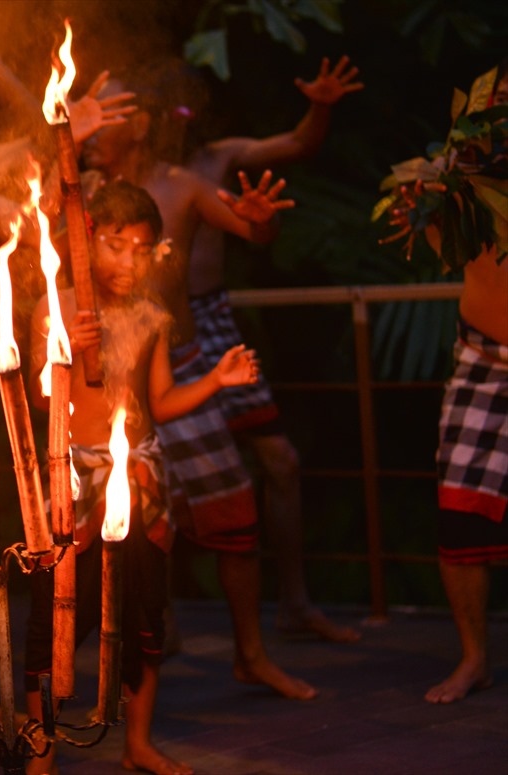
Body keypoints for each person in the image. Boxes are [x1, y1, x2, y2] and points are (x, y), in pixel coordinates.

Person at [25, 181, 273, 775]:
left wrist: (216, 379)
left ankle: (137, 743)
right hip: (73, 479)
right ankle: (41, 754)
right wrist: (61, 352)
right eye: (116, 246)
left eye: (142, 249)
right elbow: (38, 401)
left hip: (137, 476)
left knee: (142, 615)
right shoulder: (53, 307)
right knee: (53, 619)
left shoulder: (150, 313)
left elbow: (158, 399)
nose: (128, 262)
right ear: (87, 243)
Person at [184, 56, 365, 642]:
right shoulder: (114, 172)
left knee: (279, 459)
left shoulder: (214, 159)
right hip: (153, 333)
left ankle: (293, 602)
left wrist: (321, 106)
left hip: (211, 321)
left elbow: (295, 145)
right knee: (144, 479)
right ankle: (149, 622)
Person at [379, 63, 508, 704]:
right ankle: (474, 659)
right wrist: (427, 201)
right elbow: (442, 248)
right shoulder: (462, 182)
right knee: (459, 515)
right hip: (483, 362)